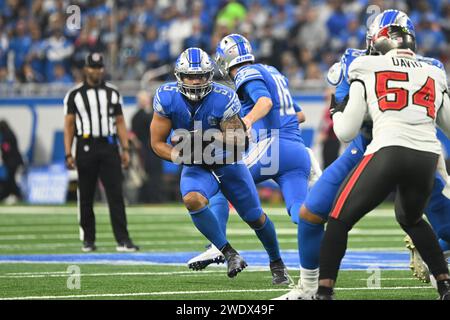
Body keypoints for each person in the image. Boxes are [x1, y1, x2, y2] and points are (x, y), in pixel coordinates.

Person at [316, 22, 450, 300]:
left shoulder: (365, 66)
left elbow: (345, 131)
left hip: (389, 148)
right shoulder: (434, 71)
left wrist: (335, 110)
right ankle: (445, 285)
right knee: (411, 219)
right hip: (427, 157)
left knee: (338, 220)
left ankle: (323, 291)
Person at [187, 34, 324, 294]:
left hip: (271, 147)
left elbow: (265, 102)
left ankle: (218, 246)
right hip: (296, 151)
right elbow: (300, 114)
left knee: (219, 179)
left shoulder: (246, 72)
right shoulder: (272, 72)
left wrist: (247, 121)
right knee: (300, 212)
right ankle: (287, 262)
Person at [150, 47, 289, 283]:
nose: (195, 81)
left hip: (226, 161)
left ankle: (277, 262)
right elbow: (156, 143)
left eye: (200, 76)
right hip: (195, 164)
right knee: (192, 199)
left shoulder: (223, 97)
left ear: (209, 75)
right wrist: (180, 156)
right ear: (179, 76)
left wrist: (204, 137)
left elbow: (238, 142)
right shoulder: (166, 97)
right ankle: (229, 253)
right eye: (190, 76)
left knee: (254, 216)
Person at [63, 52, 139, 253]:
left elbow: (120, 122)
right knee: (86, 195)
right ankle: (88, 240)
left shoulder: (112, 93)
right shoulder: (74, 95)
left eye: (99, 67)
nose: (96, 71)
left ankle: (123, 239)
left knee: (115, 194)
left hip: (108, 146)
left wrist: (125, 149)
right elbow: (69, 125)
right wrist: (68, 153)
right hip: (85, 146)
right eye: (92, 67)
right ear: (86, 69)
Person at [131, 90, 163, 203]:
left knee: (156, 174)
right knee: (147, 174)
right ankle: (149, 198)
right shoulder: (139, 115)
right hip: (145, 149)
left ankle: (155, 197)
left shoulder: (153, 113)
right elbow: (135, 134)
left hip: (155, 147)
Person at [0, 120, 24, 203]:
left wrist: (2, 146)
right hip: (14, 161)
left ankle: (19, 195)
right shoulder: (10, 133)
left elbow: (7, 148)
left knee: (11, 180)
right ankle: (4, 195)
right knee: (10, 179)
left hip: (12, 162)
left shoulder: (7, 135)